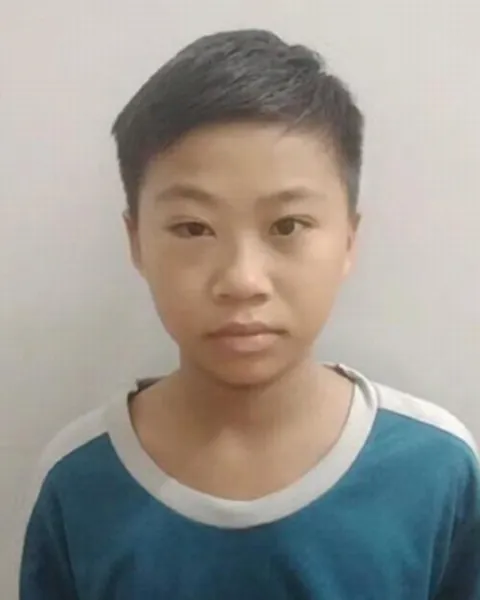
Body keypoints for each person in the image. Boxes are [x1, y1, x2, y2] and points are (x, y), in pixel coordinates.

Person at [20, 29, 479, 599]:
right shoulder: (79, 482)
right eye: (193, 228)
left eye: (287, 226)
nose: (242, 280)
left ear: (348, 238)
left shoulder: (435, 469)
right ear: (136, 242)